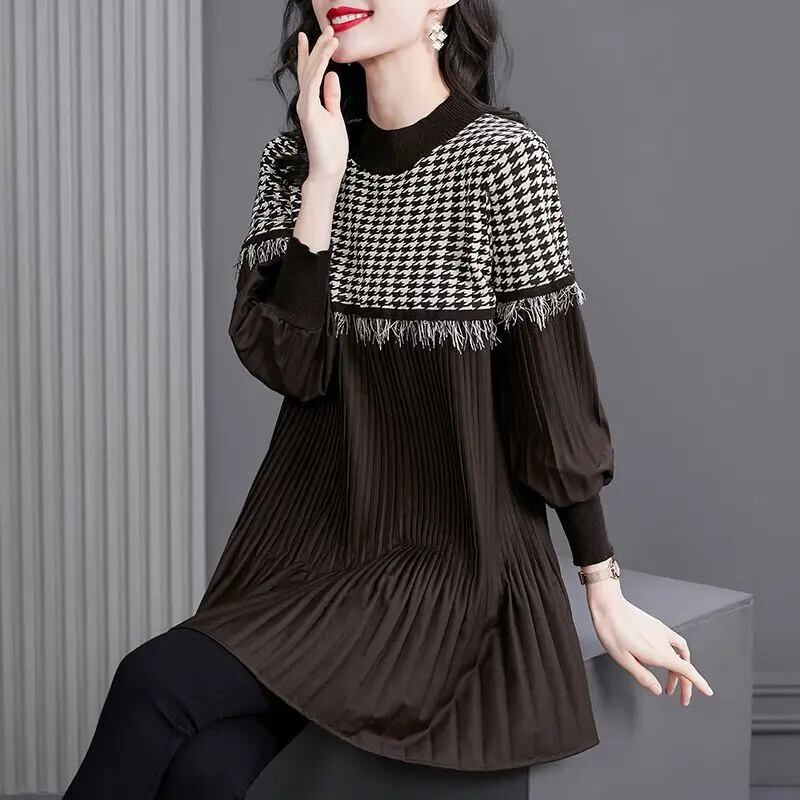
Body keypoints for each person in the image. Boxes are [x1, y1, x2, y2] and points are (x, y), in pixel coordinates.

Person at [62, 2, 714, 797]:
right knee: (210, 769)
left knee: (152, 682)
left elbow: (550, 392)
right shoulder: (298, 158)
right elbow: (292, 365)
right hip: (304, 550)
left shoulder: (503, 160)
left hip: (444, 564)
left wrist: (601, 587)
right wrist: (324, 181)